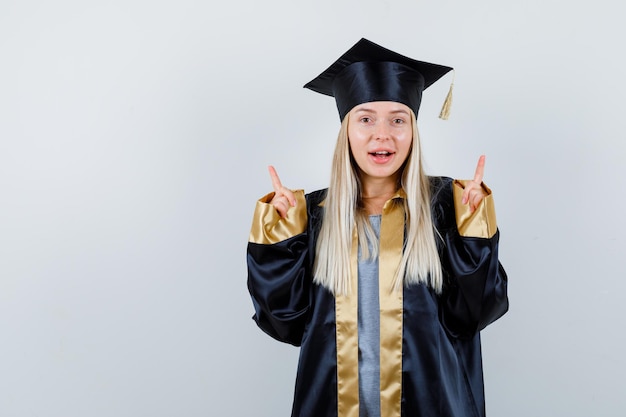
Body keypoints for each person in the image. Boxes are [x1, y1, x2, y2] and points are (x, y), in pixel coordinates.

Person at [246, 38, 508, 417]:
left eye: (398, 120)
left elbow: (476, 314)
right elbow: (283, 323)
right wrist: (280, 240)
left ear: (414, 131)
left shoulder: (447, 208)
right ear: (346, 131)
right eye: (366, 118)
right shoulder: (313, 215)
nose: (382, 134)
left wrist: (473, 232)